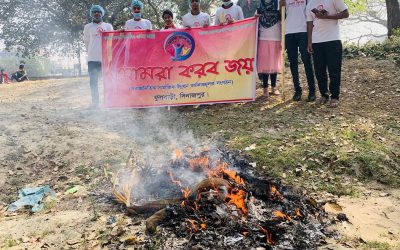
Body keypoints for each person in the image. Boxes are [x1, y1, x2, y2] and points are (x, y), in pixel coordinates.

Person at [306, 0, 349, 108]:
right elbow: (309, 23)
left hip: (333, 39)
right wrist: (309, 42)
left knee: (334, 70)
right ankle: (324, 95)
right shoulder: (310, 3)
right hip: (316, 41)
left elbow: (346, 13)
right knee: (319, 71)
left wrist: (328, 16)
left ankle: (334, 97)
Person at [280, 0, 316, 102]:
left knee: (306, 60)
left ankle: (312, 91)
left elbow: (310, 12)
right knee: (293, 62)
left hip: (303, 31)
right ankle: (297, 90)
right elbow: (281, 12)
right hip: (289, 31)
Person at [83, 5, 113, 108]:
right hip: (92, 59)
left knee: (108, 81)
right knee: (93, 82)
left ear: (102, 13)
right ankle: (95, 103)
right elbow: (86, 42)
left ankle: (109, 102)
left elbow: (113, 41)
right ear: (91, 13)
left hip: (105, 59)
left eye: (98, 12)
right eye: (94, 12)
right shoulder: (87, 27)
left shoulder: (108, 26)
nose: (96, 13)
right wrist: (91, 52)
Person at [256, 0, 282, 97]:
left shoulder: (278, 6)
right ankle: (265, 88)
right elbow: (254, 21)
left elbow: (283, 20)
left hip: (276, 38)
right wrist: (256, 17)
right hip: (263, 38)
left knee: (274, 64)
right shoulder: (259, 8)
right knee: (265, 65)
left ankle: (274, 87)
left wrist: (283, 40)